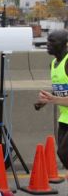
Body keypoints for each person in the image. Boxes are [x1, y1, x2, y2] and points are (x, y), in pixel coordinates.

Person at [36, 29, 68, 169]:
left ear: (65, 44)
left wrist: (53, 99)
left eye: (53, 41)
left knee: (64, 152)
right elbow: (61, 91)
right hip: (64, 118)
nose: (48, 44)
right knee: (63, 155)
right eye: (48, 40)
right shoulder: (54, 64)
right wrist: (44, 101)